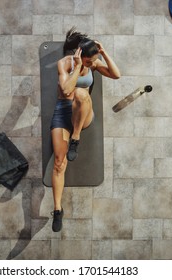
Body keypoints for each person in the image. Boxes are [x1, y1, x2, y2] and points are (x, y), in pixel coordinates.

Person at [49, 28, 121, 232]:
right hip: (63, 112)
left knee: (81, 95)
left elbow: (116, 75)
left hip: (83, 114)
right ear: (79, 55)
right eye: (90, 61)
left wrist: (104, 53)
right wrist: (78, 67)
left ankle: (76, 137)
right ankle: (57, 209)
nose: (93, 64)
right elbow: (65, 90)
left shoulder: (95, 62)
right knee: (59, 162)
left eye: (95, 60)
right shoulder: (64, 64)